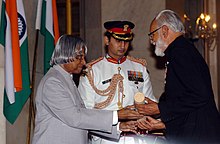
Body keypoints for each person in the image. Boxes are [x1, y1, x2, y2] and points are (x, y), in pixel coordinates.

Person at [32, 35, 138, 144]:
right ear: (66, 54)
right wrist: (116, 115)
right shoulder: (53, 82)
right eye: (79, 57)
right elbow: (75, 117)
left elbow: (84, 121)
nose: (83, 62)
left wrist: (118, 127)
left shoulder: (66, 79)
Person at [136, 9, 220, 144]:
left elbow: (200, 95)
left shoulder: (181, 53)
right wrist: (161, 111)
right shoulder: (181, 50)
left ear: (164, 31)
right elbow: (186, 100)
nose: (152, 41)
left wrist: (161, 109)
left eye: (152, 35)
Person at [78, 21, 159, 144]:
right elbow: (86, 114)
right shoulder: (92, 71)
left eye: (126, 41)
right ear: (107, 40)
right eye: (118, 41)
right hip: (106, 139)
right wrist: (118, 119)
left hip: (137, 138)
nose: (122, 45)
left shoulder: (139, 68)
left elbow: (150, 103)